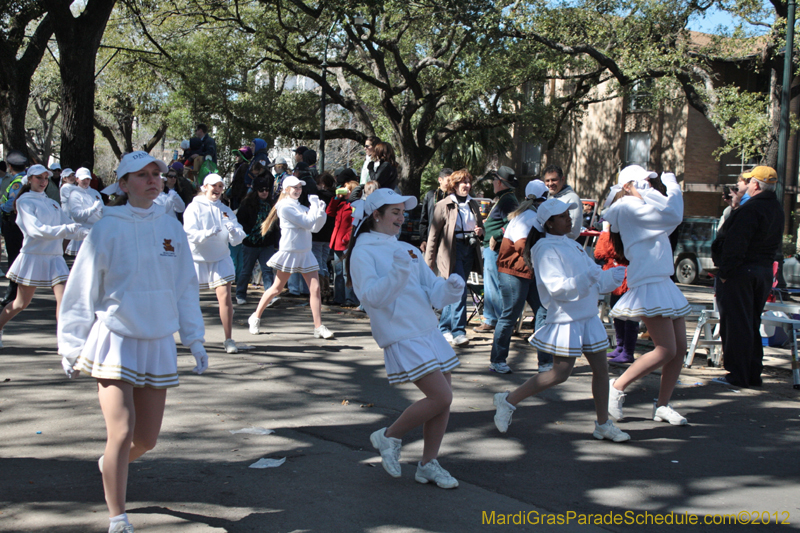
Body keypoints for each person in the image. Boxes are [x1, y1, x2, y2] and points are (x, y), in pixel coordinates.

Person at [58, 151, 208, 533]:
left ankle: (111, 462)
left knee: (146, 439)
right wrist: (71, 345)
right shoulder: (108, 227)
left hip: (158, 340)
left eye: (156, 173)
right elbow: (81, 290)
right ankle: (118, 516)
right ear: (123, 185)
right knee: (122, 432)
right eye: (141, 175)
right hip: (116, 338)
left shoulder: (171, 225)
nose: (152, 180)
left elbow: (185, 286)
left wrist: (194, 338)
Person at [348, 188, 465, 489]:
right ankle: (388, 436)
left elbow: (430, 290)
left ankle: (428, 463)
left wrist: (450, 289)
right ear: (376, 215)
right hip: (401, 333)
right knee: (442, 396)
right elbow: (371, 297)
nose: (402, 218)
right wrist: (399, 270)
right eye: (395, 212)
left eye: (403, 212)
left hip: (427, 328)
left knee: (443, 402)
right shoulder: (363, 251)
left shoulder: (407, 248)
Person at [492, 198, 630, 442]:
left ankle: (602, 424)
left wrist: (613, 277)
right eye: (563, 215)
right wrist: (589, 277)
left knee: (601, 370)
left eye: (569, 214)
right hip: (567, 318)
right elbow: (557, 289)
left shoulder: (572, 244)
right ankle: (508, 400)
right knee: (560, 373)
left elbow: (595, 278)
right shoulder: (544, 249)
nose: (569, 218)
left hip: (587, 315)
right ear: (549, 223)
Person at [603, 165, 691, 426]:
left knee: (679, 350)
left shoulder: (640, 204)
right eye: (644, 182)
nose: (650, 186)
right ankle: (616, 387)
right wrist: (672, 184)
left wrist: (654, 190)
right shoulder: (627, 206)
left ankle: (663, 405)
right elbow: (674, 214)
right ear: (628, 185)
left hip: (662, 280)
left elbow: (669, 212)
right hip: (649, 282)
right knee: (665, 350)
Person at [0, 164, 87, 348]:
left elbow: (70, 228)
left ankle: (64, 343)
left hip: (55, 258)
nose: (43, 182)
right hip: (33, 257)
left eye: (46, 178)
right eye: (39, 178)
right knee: (20, 303)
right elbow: (36, 231)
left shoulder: (52, 203)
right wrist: (66, 229)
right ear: (30, 179)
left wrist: (90, 232)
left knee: (63, 301)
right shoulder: (24, 202)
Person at [712, 166, 784, 388]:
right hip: (761, 272)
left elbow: (735, 243)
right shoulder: (776, 208)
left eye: (749, 181)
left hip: (742, 272)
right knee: (751, 322)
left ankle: (738, 374)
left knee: (736, 324)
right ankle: (752, 372)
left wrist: (725, 273)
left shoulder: (751, 209)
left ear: (755, 184)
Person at [247, 176, 335, 339]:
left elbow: (315, 228)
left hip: (305, 252)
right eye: (294, 187)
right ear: (286, 189)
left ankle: (318, 327)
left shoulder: (300, 206)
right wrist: (315, 207)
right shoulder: (284, 207)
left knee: (315, 289)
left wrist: (320, 211)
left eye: (299, 188)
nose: (298, 190)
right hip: (290, 252)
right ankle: (256, 316)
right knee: (276, 288)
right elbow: (308, 223)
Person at [489, 180, 549, 374]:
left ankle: (545, 361)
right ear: (544, 199)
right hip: (514, 272)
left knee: (543, 311)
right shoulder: (528, 218)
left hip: (527, 272)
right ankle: (497, 359)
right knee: (510, 315)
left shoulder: (528, 216)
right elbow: (525, 249)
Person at [183, 174, 247, 354]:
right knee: (191, 301)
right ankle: (193, 338)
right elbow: (189, 232)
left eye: (220, 186)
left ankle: (228, 339)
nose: (217, 189)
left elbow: (238, 236)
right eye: (214, 186)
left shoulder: (225, 209)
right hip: (197, 260)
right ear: (205, 187)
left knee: (225, 298)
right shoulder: (193, 208)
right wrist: (206, 233)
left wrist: (235, 232)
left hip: (220, 258)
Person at [424, 169, 484, 347]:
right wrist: (429, 261)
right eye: (462, 182)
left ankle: (444, 327)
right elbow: (433, 234)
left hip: (469, 249)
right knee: (460, 289)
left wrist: (480, 232)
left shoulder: (473, 204)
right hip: (451, 251)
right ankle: (458, 331)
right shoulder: (444, 204)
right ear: (454, 185)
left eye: (468, 182)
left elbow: (481, 228)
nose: (466, 185)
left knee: (454, 290)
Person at [474, 166, 519, 334]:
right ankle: (493, 319)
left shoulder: (508, 200)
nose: (492, 183)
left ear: (499, 182)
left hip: (495, 248)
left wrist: (497, 236)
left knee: (494, 285)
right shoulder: (504, 198)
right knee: (490, 284)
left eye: (494, 180)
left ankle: (499, 321)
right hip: (491, 247)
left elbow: (511, 223)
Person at [594, 222, 638, 364]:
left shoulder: (628, 233)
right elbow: (599, 254)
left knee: (629, 315)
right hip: (616, 277)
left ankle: (628, 351)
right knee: (617, 312)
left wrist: (606, 232)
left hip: (627, 277)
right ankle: (620, 347)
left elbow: (608, 251)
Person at [235, 177, 278, 305]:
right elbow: (240, 221)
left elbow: (276, 224)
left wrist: (275, 241)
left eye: (266, 190)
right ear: (255, 191)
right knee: (246, 270)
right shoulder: (247, 204)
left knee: (267, 270)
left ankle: (270, 296)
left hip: (266, 243)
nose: (264, 192)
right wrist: (247, 234)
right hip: (250, 243)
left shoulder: (272, 205)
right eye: (261, 190)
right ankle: (240, 294)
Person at [1, 150, 30, 306]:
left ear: (10, 167)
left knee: (14, 259)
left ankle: (12, 294)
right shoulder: (24, 179)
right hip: (17, 223)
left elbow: (9, 205)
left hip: (13, 223)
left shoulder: (18, 181)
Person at [328, 177, 359, 306]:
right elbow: (329, 212)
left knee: (347, 272)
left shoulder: (355, 206)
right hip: (337, 242)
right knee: (338, 272)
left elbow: (354, 224)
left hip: (346, 243)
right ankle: (338, 298)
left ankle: (349, 298)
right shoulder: (341, 204)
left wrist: (347, 238)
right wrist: (336, 198)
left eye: (347, 189)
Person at [65, 167, 104, 257]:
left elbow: (102, 209)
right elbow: (77, 216)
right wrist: (93, 209)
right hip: (82, 233)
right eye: (83, 179)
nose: (86, 181)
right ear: (77, 179)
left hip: (97, 231)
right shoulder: (74, 194)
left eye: (87, 179)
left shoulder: (95, 193)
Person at [542, 164, 582, 240]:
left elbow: (573, 230)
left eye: (554, 180)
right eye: (547, 181)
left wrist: (556, 242)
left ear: (562, 179)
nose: (550, 184)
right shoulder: (548, 197)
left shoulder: (572, 198)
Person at [419, 168, 452, 254]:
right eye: (448, 180)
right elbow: (424, 219)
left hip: (449, 241)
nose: (451, 183)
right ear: (440, 180)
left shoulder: (454, 197)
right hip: (431, 238)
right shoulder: (430, 195)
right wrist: (423, 240)